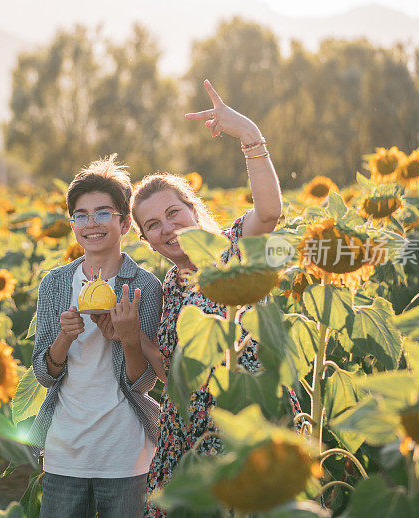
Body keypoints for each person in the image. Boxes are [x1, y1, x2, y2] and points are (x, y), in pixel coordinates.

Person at [130, 80, 301, 516]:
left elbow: (268, 211)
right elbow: (173, 373)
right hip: (189, 439)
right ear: (147, 241)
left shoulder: (235, 247)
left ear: (193, 209)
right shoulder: (167, 287)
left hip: (250, 420)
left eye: (173, 213)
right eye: (153, 225)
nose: (167, 228)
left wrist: (249, 135)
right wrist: (135, 338)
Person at [30, 157, 164, 518]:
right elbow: (44, 374)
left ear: (124, 221)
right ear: (72, 222)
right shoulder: (55, 284)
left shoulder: (145, 287)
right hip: (64, 451)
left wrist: (128, 339)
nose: (91, 224)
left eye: (103, 213)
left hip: (124, 453)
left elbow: (144, 383)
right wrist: (64, 337)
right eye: (81, 215)